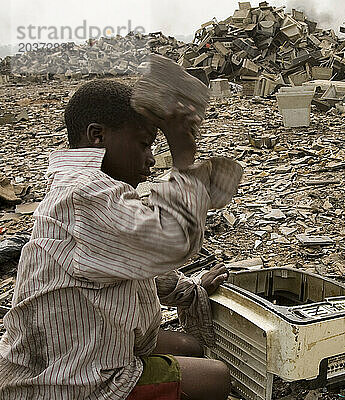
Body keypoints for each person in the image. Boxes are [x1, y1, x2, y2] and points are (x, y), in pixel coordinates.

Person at [0, 80, 242, 400]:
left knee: (190, 346)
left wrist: (189, 290)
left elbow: (135, 264)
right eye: (144, 144)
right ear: (98, 136)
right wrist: (185, 160)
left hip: (65, 349)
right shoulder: (87, 193)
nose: (152, 159)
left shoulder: (82, 188)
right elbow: (170, 241)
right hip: (69, 380)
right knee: (216, 378)